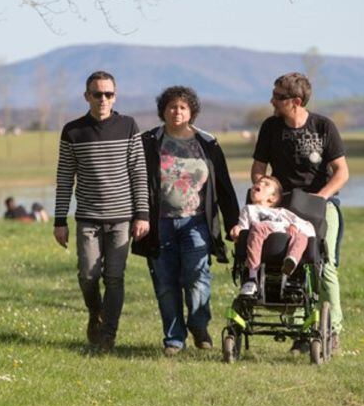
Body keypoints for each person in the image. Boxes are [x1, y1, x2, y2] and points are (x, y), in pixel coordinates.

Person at [132, 86, 239, 356]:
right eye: (171, 106)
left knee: (197, 277)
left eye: (182, 107)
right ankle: (173, 339)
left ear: (191, 111)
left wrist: (234, 223)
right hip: (159, 225)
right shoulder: (149, 141)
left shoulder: (208, 143)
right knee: (166, 283)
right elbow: (135, 181)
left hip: (197, 223)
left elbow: (224, 187)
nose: (176, 111)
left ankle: (199, 325)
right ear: (163, 111)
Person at [251, 72, 349, 353]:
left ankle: (333, 330)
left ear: (295, 101)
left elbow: (341, 172)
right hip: (284, 207)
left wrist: (321, 197)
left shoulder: (323, 126)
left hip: (321, 205)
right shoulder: (270, 127)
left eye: (278, 96)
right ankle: (300, 333)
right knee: (289, 265)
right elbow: (259, 167)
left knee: (323, 266)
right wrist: (264, 190)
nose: (272, 100)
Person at [53, 70, 150, 352]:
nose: (103, 99)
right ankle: (95, 312)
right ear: (87, 97)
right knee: (88, 275)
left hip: (122, 218)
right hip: (88, 218)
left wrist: (142, 215)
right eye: (97, 94)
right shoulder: (73, 131)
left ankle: (108, 334)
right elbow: (64, 178)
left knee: (115, 277)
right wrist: (59, 220)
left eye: (108, 94)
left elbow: (138, 173)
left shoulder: (129, 126)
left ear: (115, 96)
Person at [230, 176, 315, 296]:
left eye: (266, 184)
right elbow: (243, 227)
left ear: (273, 197)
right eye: (258, 183)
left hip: (285, 235)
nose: (258, 184)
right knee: (257, 227)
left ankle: (292, 261)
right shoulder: (249, 209)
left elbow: (307, 226)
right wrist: (237, 230)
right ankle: (252, 277)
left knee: (302, 236)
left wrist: (295, 226)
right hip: (262, 235)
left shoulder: (282, 212)